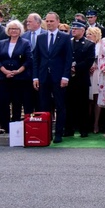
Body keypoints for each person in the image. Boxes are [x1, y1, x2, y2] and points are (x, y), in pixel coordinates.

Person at [32, 12, 73, 144]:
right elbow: (36, 59)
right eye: (47, 21)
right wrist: (35, 77)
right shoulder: (41, 37)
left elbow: (68, 59)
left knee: (60, 105)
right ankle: (46, 132)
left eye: (51, 21)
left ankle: (59, 133)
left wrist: (65, 76)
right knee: (44, 105)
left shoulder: (65, 37)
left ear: (57, 21)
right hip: (43, 76)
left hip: (59, 77)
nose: (49, 23)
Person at [0, 20, 32, 134]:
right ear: (8, 30)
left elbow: (29, 60)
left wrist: (18, 71)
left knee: (17, 103)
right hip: (3, 78)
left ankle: (15, 127)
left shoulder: (25, 43)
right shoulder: (2, 43)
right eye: (11, 29)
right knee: (3, 102)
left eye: (16, 29)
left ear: (20, 30)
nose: (13, 31)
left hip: (19, 78)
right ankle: (4, 126)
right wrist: (5, 71)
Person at [66, 21, 95, 137]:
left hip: (81, 78)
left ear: (82, 31)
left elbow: (89, 60)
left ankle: (84, 129)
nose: (73, 30)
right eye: (72, 28)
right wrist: (69, 68)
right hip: (69, 78)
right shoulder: (68, 42)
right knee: (69, 104)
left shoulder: (89, 44)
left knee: (83, 105)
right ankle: (69, 129)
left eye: (76, 29)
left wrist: (76, 68)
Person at [86, 26, 104, 133]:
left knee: (97, 98)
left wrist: (96, 65)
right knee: (88, 99)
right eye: (87, 34)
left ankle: (96, 123)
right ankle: (87, 123)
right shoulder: (86, 44)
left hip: (98, 73)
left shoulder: (101, 45)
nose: (88, 36)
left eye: (90, 34)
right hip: (88, 73)